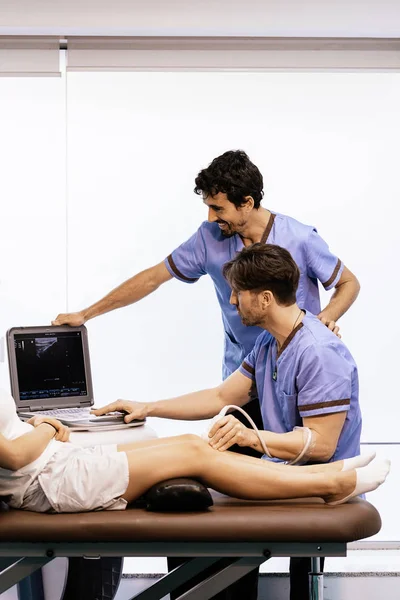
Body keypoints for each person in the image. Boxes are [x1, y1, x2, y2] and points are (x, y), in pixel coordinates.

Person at [53, 151, 361, 600]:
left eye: (218, 207)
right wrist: (145, 402)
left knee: (205, 460)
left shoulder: (315, 337)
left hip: (307, 405)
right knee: (198, 471)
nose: (230, 303)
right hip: (264, 384)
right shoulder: (259, 338)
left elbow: (323, 443)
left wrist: (326, 320)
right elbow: (221, 390)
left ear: (247, 202)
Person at [0, 387, 390, 515]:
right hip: (44, 483)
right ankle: (329, 486)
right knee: (195, 456)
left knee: (192, 445)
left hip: (53, 465)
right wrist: (49, 426)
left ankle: (326, 473)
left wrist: (37, 429)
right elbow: (14, 458)